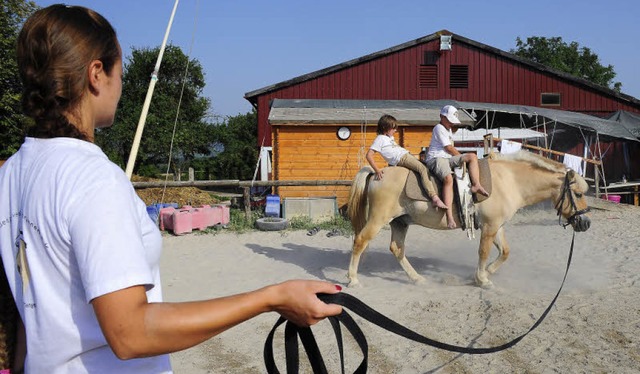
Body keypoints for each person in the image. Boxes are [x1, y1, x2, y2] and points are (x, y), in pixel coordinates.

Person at [0, 5, 342, 373]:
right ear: (96, 74)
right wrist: (271, 298)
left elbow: (27, 310)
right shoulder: (92, 179)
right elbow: (131, 333)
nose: (121, 85)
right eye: (120, 72)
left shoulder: (12, 172)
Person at [426, 105, 489, 229]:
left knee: (472, 156)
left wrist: (463, 158)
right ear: (441, 117)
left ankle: (476, 185)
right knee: (448, 179)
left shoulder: (448, 129)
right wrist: (461, 158)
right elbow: (448, 148)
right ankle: (449, 215)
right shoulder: (438, 128)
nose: (451, 123)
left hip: (447, 158)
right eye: (449, 120)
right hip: (436, 158)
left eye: (452, 121)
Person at [366, 114, 448, 210]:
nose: (395, 130)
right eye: (393, 128)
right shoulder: (380, 139)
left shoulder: (389, 138)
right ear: (385, 127)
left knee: (425, 166)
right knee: (423, 169)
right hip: (402, 158)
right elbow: (369, 155)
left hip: (405, 155)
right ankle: (434, 197)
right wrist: (377, 170)